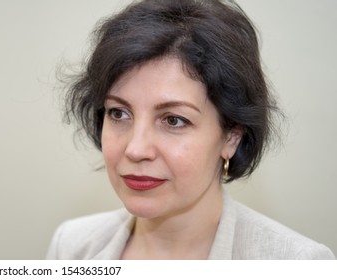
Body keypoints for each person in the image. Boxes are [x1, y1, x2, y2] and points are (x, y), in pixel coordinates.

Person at [47, 0, 335, 259]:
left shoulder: (296, 262)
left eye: (173, 120)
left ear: (232, 135)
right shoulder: (72, 246)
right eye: (119, 113)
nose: (135, 149)